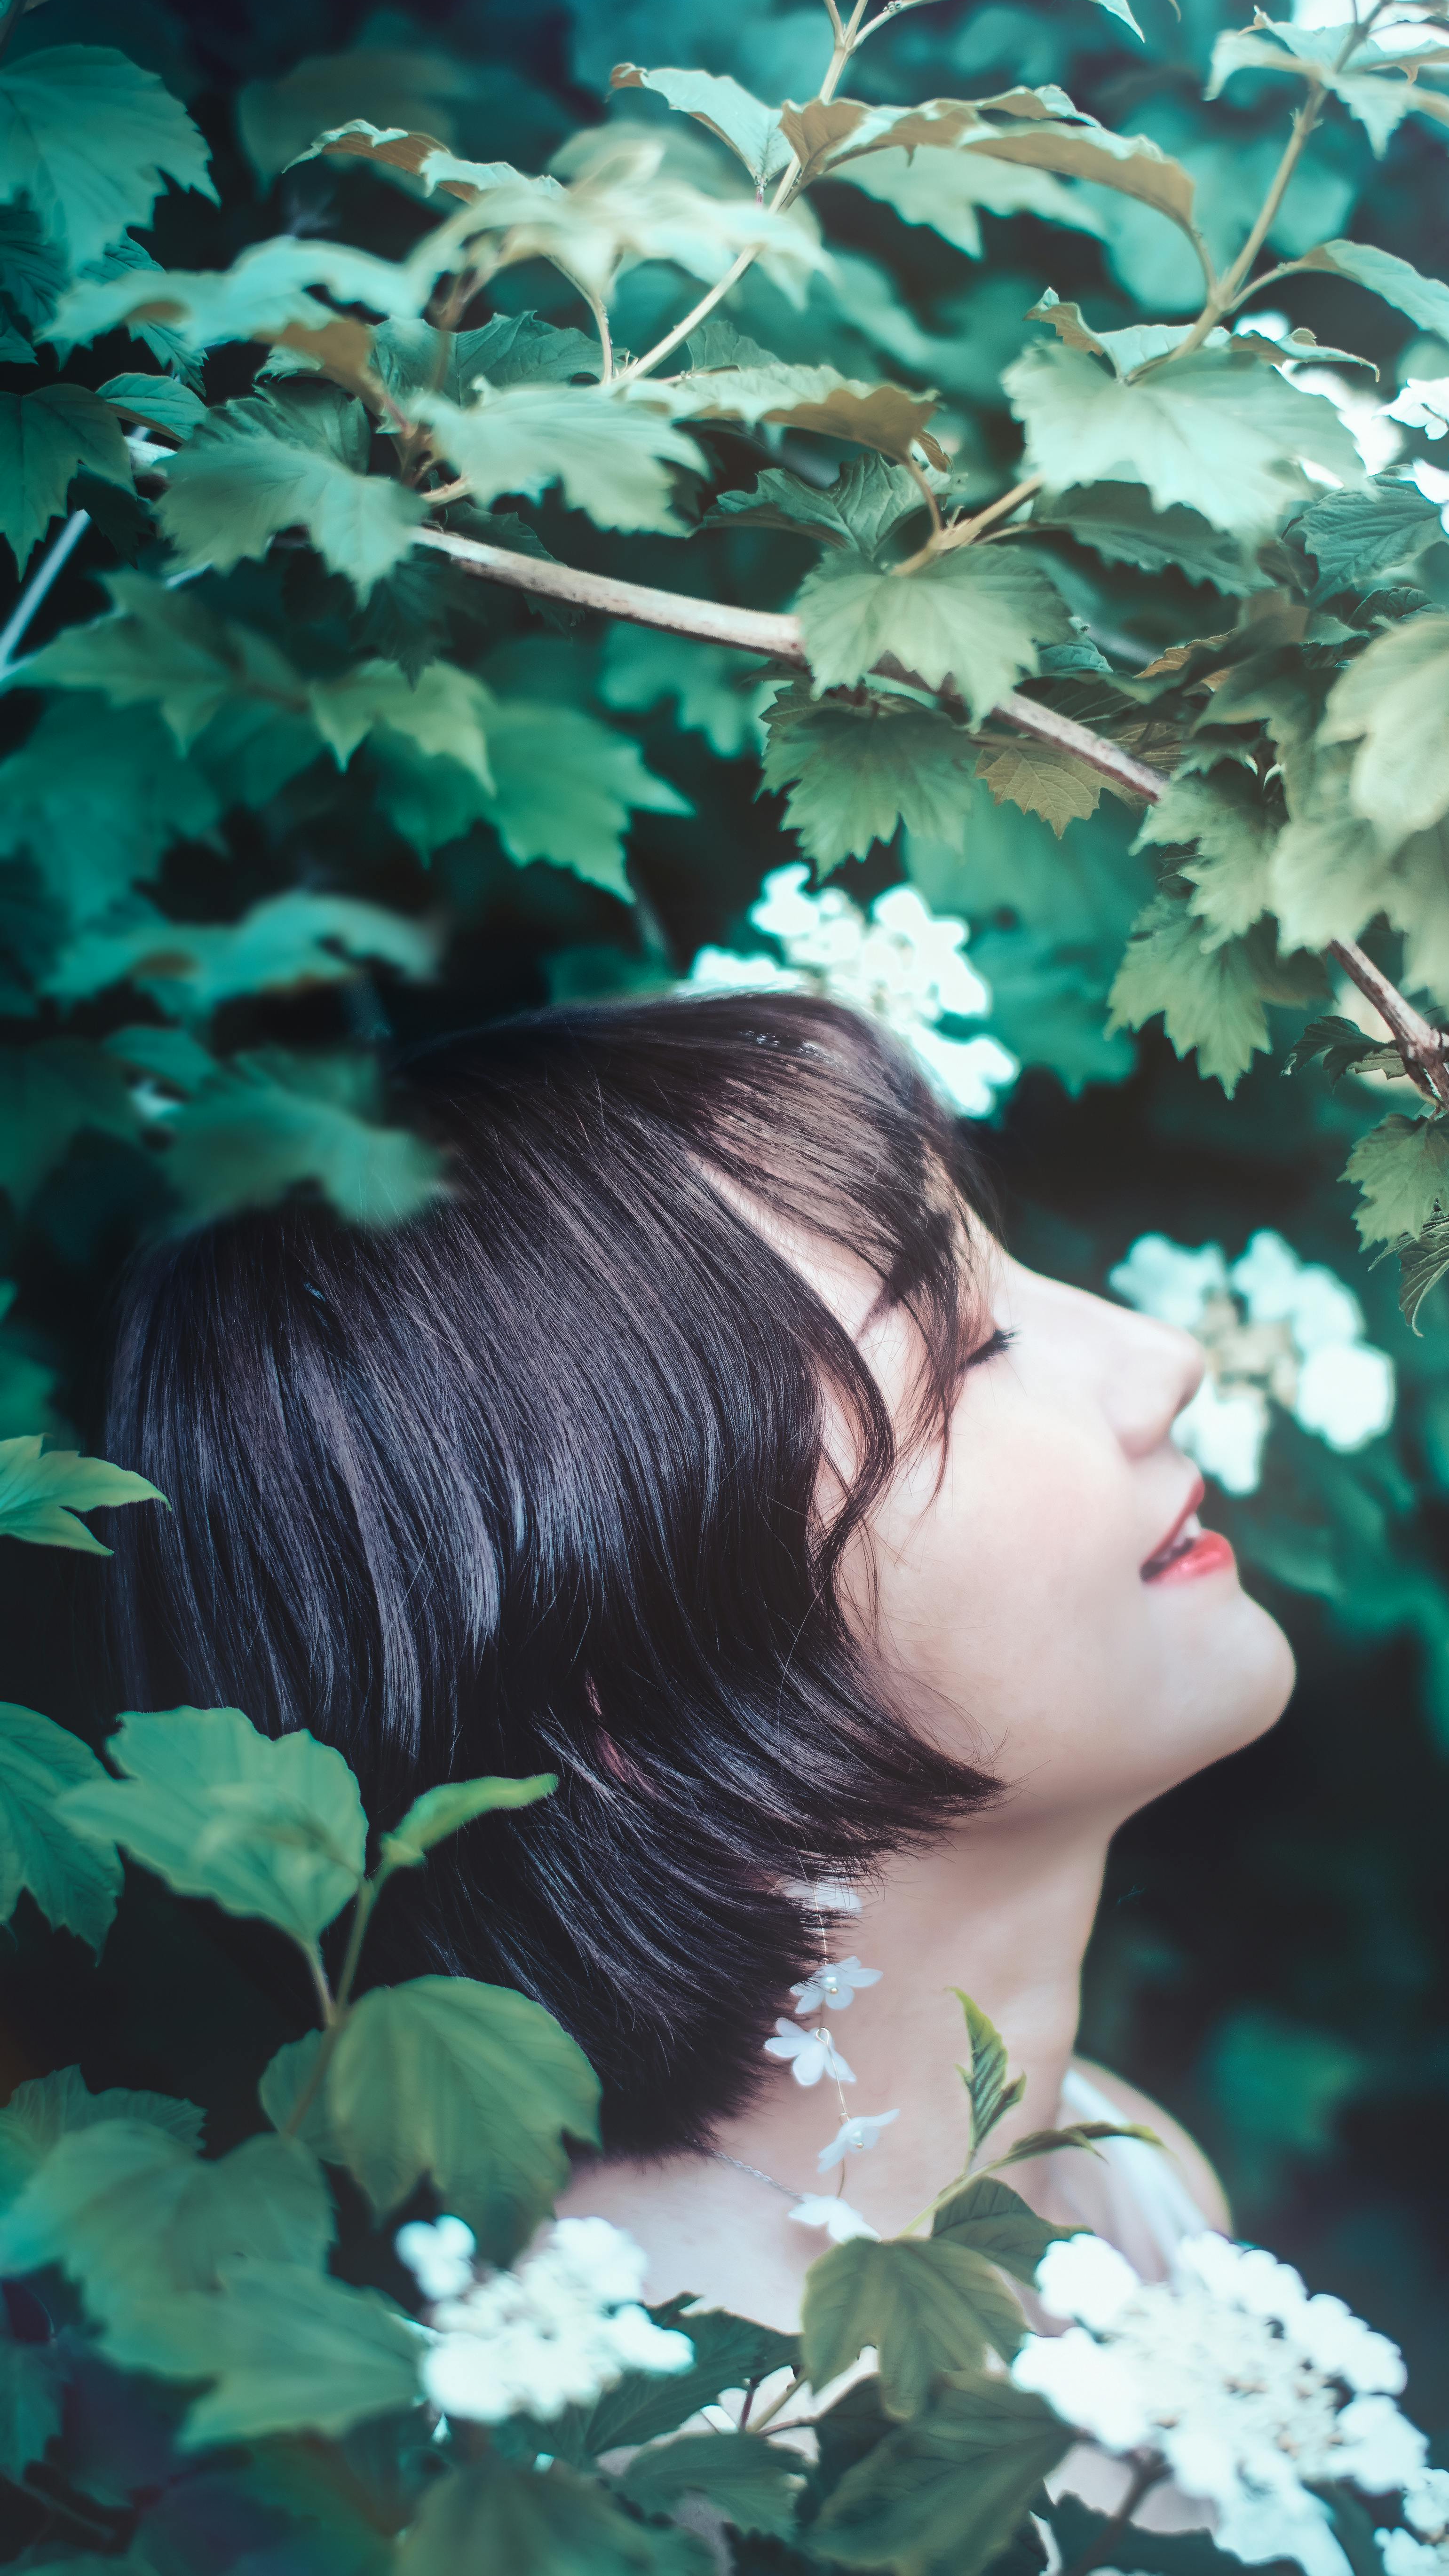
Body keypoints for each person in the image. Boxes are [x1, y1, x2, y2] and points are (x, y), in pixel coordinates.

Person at [102, 994, 1294, 2331]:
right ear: (645, 1710)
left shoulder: (1115, 2169)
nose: (1163, 1359)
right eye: (974, 1349)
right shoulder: (713, 2477)